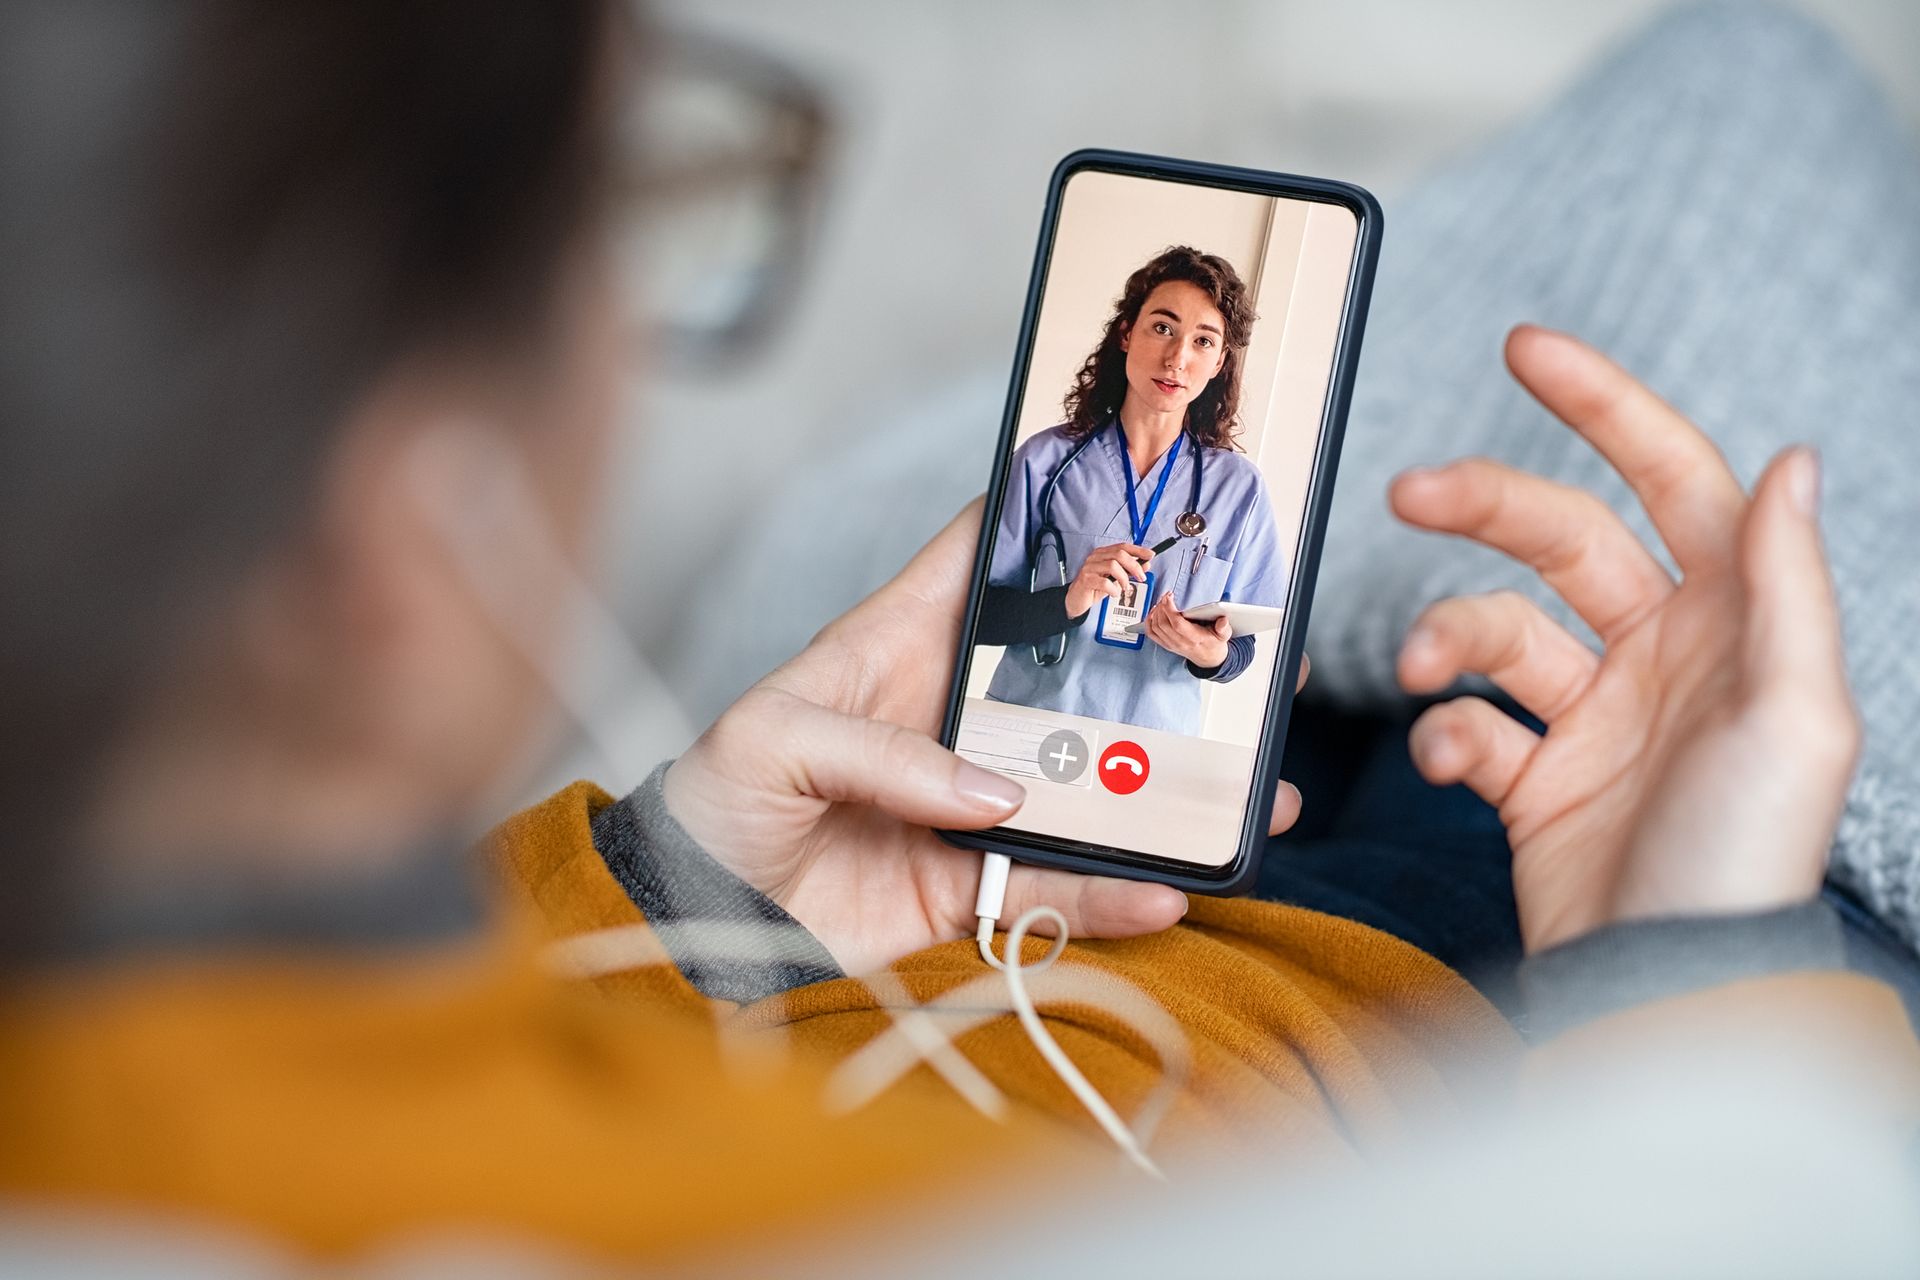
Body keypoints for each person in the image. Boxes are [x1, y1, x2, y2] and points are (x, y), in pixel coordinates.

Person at [1, 0, 1915, 1270]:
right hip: (1498, 1017)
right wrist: (1708, 982)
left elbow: (1242, 566)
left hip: (1066, 875)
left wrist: (671, 896)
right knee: (1742, 113)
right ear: (396, 531)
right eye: (637, 216)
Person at [975, 246, 1289, 735]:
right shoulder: (1044, 462)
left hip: (1151, 747)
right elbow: (977, 615)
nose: (1177, 358)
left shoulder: (1238, 490)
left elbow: (1240, 649)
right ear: (1126, 333)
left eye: (1203, 341)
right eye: (1162, 328)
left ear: (1220, 361)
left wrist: (1209, 653)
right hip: (1027, 726)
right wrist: (1069, 599)